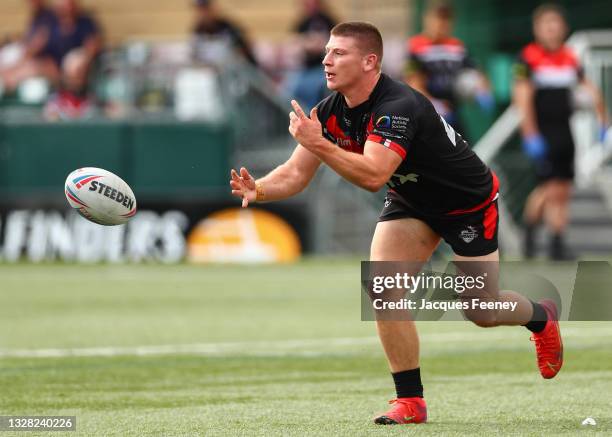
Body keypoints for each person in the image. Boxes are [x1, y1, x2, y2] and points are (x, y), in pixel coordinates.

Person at [230, 21, 564, 425]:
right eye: (327, 52)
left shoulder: (397, 107)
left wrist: (317, 142)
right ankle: (410, 401)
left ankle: (540, 316)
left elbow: (372, 175)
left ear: (370, 61)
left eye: (339, 52)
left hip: (467, 205)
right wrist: (260, 189)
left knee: (481, 310)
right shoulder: (330, 110)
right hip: (411, 201)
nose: (326, 59)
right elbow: (296, 174)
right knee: (383, 289)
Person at [514, 4, 608, 260]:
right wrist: (530, 133)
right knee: (548, 188)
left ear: (563, 28)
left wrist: (603, 122)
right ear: (537, 28)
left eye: (556, 24)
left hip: (565, 131)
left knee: (564, 188)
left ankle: (557, 242)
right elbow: (522, 98)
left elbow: (590, 90)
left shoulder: (569, 57)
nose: (552, 29)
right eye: (547, 24)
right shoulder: (528, 58)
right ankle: (531, 234)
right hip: (543, 133)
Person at [405, 1, 494, 137]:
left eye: (446, 19)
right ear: (427, 19)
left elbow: (476, 72)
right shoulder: (416, 46)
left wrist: (482, 91)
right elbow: (412, 82)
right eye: (438, 18)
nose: (442, 24)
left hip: (453, 111)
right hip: (426, 114)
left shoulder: (457, 47)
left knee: (465, 152)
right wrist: (434, 105)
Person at [42, 0, 102, 120]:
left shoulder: (85, 23)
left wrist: (83, 59)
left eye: (80, 74)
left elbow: (93, 44)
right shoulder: (50, 25)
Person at [284, 0, 336, 110]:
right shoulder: (303, 22)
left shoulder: (328, 20)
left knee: (317, 89)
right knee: (289, 88)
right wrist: (309, 43)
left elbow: (333, 43)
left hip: (324, 69)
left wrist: (316, 43)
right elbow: (295, 44)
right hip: (305, 69)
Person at [0, 0, 59, 92]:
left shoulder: (49, 18)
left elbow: (36, 47)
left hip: (46, 64)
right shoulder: (36, 17)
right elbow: (28, 41)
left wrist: (13, 67)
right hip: (33, 61)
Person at [191, 0, 257, 67]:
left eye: (205, 9)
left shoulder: (229, 28)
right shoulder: (198, 31)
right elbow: (195, 54)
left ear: (213, 9)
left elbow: (245, 48)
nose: (203, 13)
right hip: (209, 70)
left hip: (232, 69)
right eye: (200, 10)